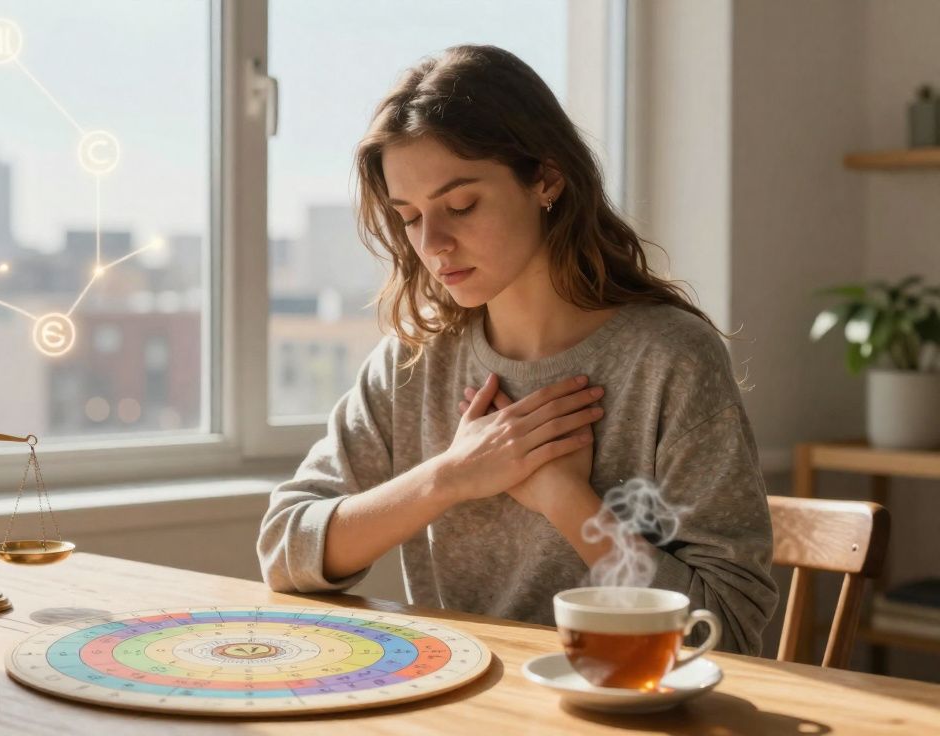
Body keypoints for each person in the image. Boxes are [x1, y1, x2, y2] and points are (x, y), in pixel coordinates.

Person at [256, 45, 777, 655]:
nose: (434, 244)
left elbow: (728, 631)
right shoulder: (413, 361)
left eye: (460, 205)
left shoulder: (670, 360)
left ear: (547, 178)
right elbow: (285, 551)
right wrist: (450, 477)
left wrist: (567, 501)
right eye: (409, 217)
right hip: (461, 708)